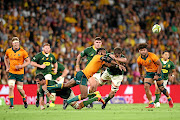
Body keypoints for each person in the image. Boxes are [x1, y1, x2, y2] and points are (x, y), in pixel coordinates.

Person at [43, 48, 124, 109]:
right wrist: (116, 62)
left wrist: (118, 65)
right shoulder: (97, 56)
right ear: (99, 52)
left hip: (81, 74)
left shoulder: (101, 62)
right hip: (83, 76)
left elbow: (109, 64)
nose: (105, 53)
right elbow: (107, 59)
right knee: (84, 95)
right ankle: (67, 102)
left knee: (66, 85)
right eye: (104, 52)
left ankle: (49, 87)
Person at [137, 43, 173, 108]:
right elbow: (140, 67)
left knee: (161, 88)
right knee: (146, 86)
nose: (143, 51)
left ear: (146, 50)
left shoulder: (152, 56)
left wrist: (157, 74)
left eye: (144, 50)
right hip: (149, 73)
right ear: (139, 51)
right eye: (142, 50)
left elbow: (160, 65)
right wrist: (141, 75)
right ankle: (151, 103)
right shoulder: (139, 59)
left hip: (157, 71)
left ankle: (169, 99)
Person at [76, 37, 102, 108]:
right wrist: (77, 66)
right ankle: (87, 101)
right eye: (97, 42)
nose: (98, 44)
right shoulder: (89, 50)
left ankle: (88, 101)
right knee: (93, 85)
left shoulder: (102, 51)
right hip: (89, 71)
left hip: (98, 72)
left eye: (99, 42)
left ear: (101, 43)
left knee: (93, 89)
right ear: (94, 43)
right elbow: (79, 56)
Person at [4, 37, 30, 109]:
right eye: (15, 43)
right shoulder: (8, 51)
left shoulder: (23, 51)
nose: (16, 44)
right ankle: (11, 105)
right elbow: (5, 58)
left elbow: (28, 61)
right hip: (12, 72)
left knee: (19, 88)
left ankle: (24, 99)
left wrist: (21, 66)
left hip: (20, 73)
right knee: (11, 86)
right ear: (12, 44)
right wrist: (7, 67)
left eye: (17, 43)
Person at [31, 43, 57, 107]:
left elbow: (55, 62)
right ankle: (37, 99)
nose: (47, 49)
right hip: (40, 74)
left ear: (50, 49)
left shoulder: (52, 56)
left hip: (48, 73)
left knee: (47, 86)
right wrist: (40, 66)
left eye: (48, 48)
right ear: (43, 48)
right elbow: (32, 63)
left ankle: (47, 102)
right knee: (39, 88)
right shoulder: (39, 55)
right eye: (46, 48)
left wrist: (56, 69)